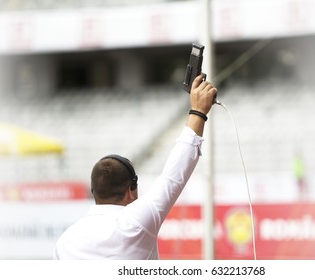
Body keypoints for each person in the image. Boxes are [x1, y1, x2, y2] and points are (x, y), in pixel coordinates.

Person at [53, 75, 218, 259]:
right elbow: (174, 174)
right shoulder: (136, 223)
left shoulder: (65, 241)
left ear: (94, 192)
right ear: (131, 190)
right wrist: (198, 112)